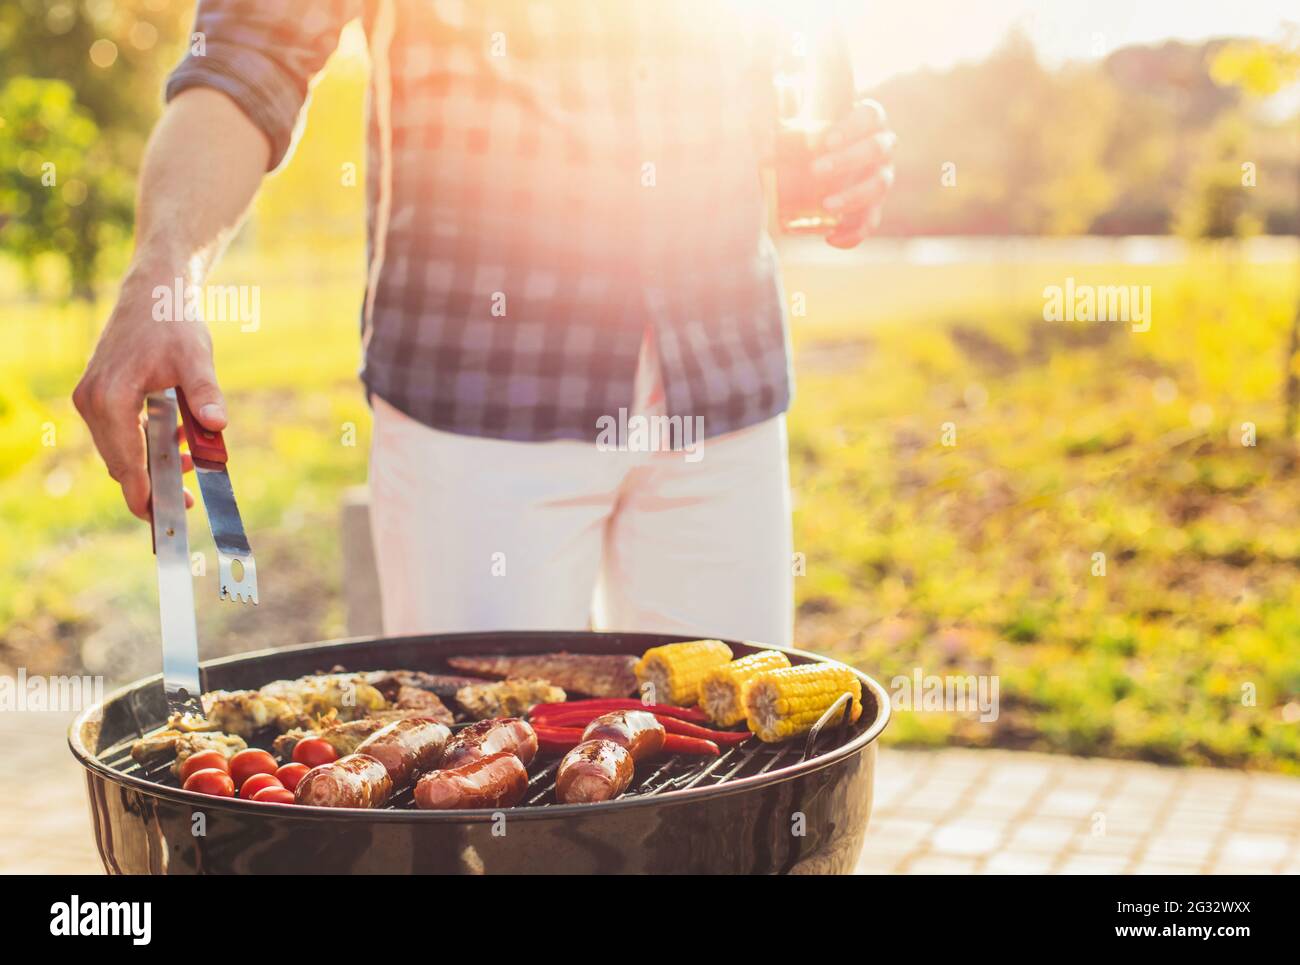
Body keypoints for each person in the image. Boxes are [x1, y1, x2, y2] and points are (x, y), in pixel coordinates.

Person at [73, 0, 896, 648]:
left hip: (723, 379)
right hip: (481, 401)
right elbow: (248, 58)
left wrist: (811, 157)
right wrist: (165, 272)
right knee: (476, 808)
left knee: (736, 783)